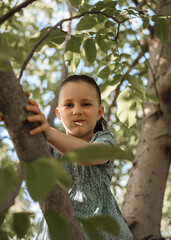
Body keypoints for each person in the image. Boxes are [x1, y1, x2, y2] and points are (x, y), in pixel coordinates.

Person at [26, 74, 133, 239]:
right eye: (68, 105)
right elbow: (27, 145)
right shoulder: (48, 147)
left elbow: (87, 155)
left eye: (86, 104)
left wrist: (47, 131)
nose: (77, 111)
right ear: (59, 114)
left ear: (99, 112)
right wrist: (19, 113)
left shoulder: (105, 140)